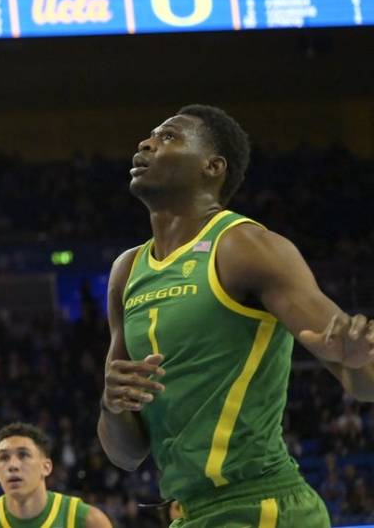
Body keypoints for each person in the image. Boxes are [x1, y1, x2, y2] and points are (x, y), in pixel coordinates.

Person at [97, 105, 374, 527]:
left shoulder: (246, 247)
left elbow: (365, 379)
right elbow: (126, 455)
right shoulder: (127, 271)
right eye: (150, 136)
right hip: (191, 513)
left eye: (169, 137)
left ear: (212, 167)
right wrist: (111, 403)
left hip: (261, 505)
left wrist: (355, 363)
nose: (146, 143)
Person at [0, 422, 111, 528]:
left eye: (23, 455)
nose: (13, 465)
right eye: (4, 458)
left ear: (46, 467)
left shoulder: (87, 520)